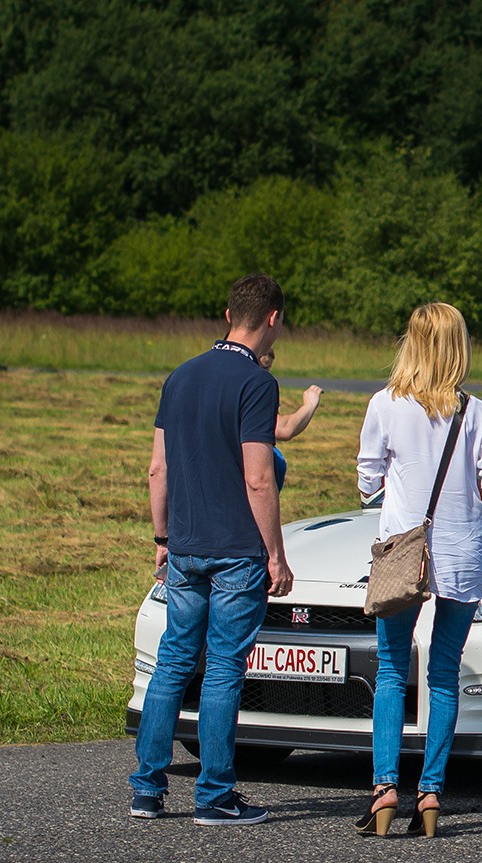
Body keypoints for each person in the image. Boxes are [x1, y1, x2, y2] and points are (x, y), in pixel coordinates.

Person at [131, 274, 293, 826]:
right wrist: (276, 554)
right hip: (236, 550)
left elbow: (157, 469)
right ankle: (215, 795)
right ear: (272, 317)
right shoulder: (256, 383)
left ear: (228, 314)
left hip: (185, 545)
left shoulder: (180, 376)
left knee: (174, 662)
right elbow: (258, 478)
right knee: (223, 668)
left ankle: (147, 790)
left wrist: (162, 538)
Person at [355, 303, 482, 837]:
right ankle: (431, 792)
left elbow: (367, 482)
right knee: (443, 673)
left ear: (412, 344)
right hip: (461, 554)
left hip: (404, 553)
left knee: (392, 670)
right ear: (458, 347)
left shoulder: (384, 405)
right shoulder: (477, 412)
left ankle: (384, 789)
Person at [255, 348, 322, 488]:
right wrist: (309, 405)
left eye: (268, 368)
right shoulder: (254, 387)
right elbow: (283, 429)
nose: (266, 375)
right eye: (264, 368)